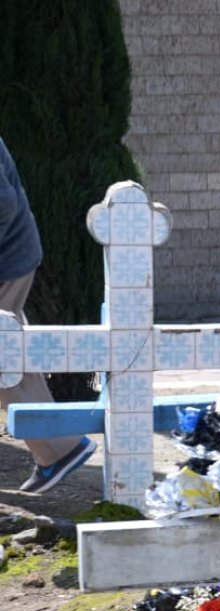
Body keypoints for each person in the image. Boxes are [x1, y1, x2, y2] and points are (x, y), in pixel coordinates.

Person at [0, 136, 96, 493]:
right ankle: (63, 447)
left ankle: (60, 449)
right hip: (14, 252)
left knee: (4, 360)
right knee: (12, 359)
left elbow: (2, 204)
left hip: (6, 260)